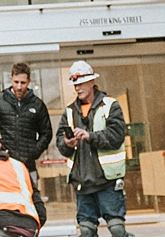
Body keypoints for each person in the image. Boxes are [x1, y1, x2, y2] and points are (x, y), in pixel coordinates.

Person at [54, 60, 129, 237]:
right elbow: (60, 142)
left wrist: (90, 136)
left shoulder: (110, 105)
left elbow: (116, 136)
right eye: (75, 84)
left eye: (80, 84)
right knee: (86, 231)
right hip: (82, 182)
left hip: (107, 180)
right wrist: (67, 143)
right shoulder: (70, 111)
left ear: (92, 82)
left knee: (117, 229)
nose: (77, 88)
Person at [0, 63, 52, 188]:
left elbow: (46, 132)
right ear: (10, 79)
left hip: (28, 166)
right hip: (5, 164)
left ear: (29, 81)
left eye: (23, 83)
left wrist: (34, 152)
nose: (19, 87)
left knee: (31, 202)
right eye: (16, 82)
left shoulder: (37, 105)